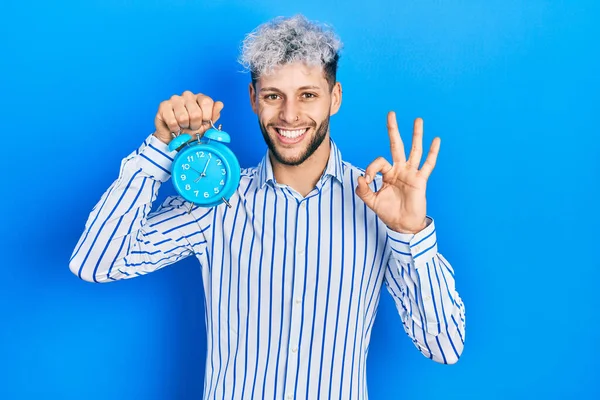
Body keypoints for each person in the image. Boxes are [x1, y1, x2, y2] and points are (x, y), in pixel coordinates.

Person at [69, 14, 465, 400]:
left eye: (307, 95)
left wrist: (410, 234)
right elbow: (96, 263)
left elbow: (444, 346)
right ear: (254, 99)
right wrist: (159, 148)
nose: (290, 115)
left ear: (335, 98)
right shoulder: (217, 204)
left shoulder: (380, 208)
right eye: (274, 95)